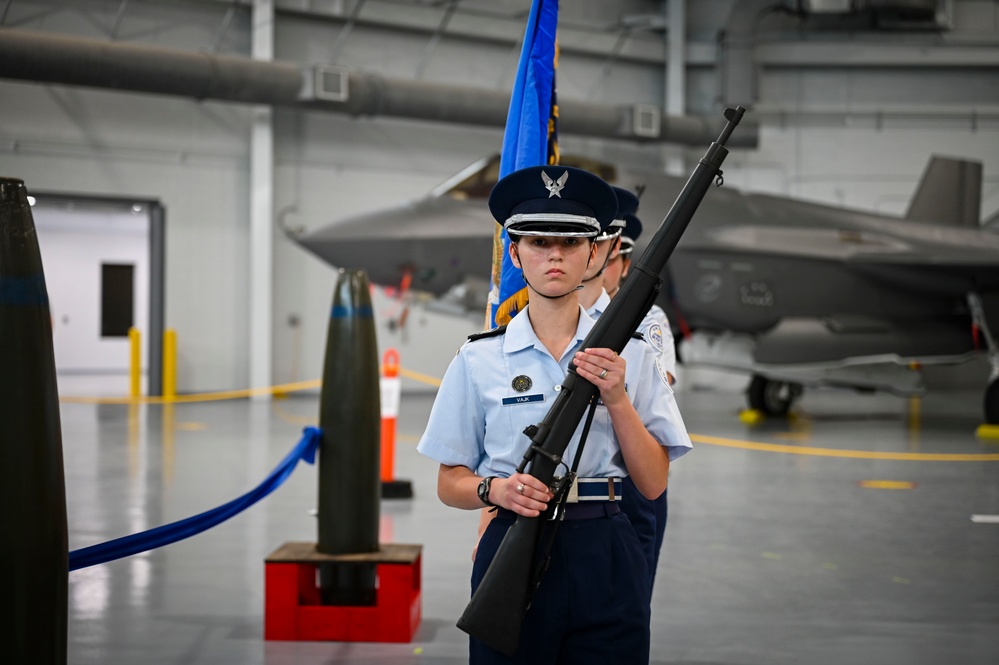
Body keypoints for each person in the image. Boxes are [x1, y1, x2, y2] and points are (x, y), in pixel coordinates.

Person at [417, 165, 692, 663]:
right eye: (539, 242)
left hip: (606, 545)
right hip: (514, 541)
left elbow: (652, 484)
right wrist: (493, 490)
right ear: (516, 254)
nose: (555, 255)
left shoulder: (633, 355)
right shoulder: (478, 359)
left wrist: (618, 399)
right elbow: (448, 481)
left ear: (595, 252)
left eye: (570, 242)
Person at [598, 192, 677, 588]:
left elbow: (655, 388)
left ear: (625, 262)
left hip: (631, 477)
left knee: (631, 592)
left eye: (610, 257)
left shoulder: (648, 320)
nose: (601, 267)